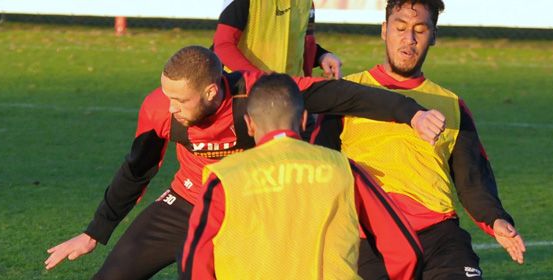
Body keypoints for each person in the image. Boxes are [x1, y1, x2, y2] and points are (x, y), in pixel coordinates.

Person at [44, 45, 445, 279]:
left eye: (179, 100)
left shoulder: (255, 91)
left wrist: (410, 112)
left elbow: (341, 95)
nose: (169, 107)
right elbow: (137, 169)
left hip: (251, 207)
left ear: (213, 92)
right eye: (167, 96)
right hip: (187, 202)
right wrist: (94, 232)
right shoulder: (159, 109)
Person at [313, 1, 526, 279]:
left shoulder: (451, 104)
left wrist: (496, 219)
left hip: (441, 239)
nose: (409, 39)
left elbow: (473, 181)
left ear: (434, 36)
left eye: (420, 30)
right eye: (400, 28)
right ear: (384, 30)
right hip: (371, 237)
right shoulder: (348, 92)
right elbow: (318, 164)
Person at [180, 73, 423, 280]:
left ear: (249, 124)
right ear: (305, 119)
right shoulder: (344, 169)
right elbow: (405, 251)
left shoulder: (224, 177)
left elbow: (195, 263)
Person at [214, 0, 342, 79]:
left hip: (293, 93)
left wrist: (322, 56)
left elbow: (303, 44)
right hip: (246, 91)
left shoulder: (307, 3)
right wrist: (260, 80)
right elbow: (223, 46)